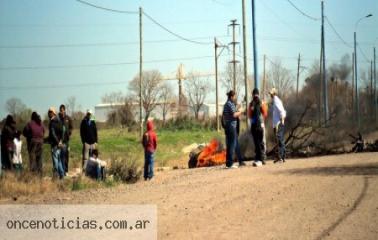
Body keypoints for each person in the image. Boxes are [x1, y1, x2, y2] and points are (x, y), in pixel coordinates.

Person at [222, 90, 245, 168]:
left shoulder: (228, 104)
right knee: (232, 144)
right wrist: (240, 111)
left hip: (230, 126)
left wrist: (237, 109)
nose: (235, 98)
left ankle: (240, 161)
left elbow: (233, 114)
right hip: (231, 127)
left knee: (235, 144)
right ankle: (230, 163)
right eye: (234, 96)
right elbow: (234, 115)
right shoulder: (229, 104)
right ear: (231, 96)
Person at [248, 88, 268, 166]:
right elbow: (265, 114)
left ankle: (258, 158)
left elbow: (249, 115)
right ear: (258, 94)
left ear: (252, 95)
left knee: (256, 143)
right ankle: (263, 158)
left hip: (254, 125)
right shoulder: (262, 102)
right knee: (262, 142)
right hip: (261, 125)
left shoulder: (250, 104)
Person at [269, 88, 287, 163]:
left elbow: (282, 111)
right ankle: (280, 157)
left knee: (280, 140)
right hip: (276, 124)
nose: (270, 94)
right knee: (278, 141)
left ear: (273, 94)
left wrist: (282, 120)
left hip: (278, 124)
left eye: (271, 93)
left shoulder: (276, 100)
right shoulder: (275, 101)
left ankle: (281, 157)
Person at [47, 107, 65, 179]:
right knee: (59, 160)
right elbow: (63, 131)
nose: (49, 113)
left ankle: (55, 176)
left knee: (55, 160)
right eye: (49, 112)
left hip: (55, 144)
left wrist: (57, 142)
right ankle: (62, 175)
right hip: (59, 143)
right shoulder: (59, 121)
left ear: (53, 113)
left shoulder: (52, 122)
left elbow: (53, 133)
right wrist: (61, 141)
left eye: (50, 112)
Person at [58, 104, 73, 174]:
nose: (61, 112)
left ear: (64, 110)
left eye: (62, 110)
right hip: (60, 140)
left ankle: (66, 170)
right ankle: (61, 171)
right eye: (60, 110)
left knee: (66, 155)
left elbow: (71, 127)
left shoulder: (68, 118)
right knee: (61, 156)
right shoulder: (58, 118)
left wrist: (69, 133)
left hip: (66, 140)